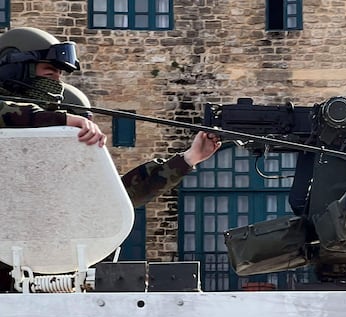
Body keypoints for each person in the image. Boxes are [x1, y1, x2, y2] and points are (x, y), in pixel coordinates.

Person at [0, 27, 221, 290]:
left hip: (43, 277)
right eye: (49, 71)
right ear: (15, 66)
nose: (56, 81)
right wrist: (64, 121)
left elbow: (112, 200)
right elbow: (9, 113)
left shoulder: (57, 152)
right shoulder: (22, 118)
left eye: (60, 74)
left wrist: (188, 158)